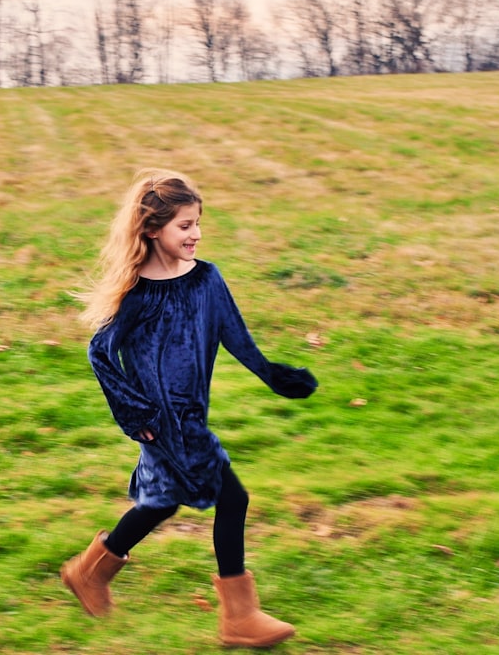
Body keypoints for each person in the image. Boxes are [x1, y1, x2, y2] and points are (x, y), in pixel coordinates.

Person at [61, 169, 317, 648]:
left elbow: (232, 332)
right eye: (184, 225)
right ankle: (239, 618)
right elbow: (100, 352)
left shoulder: (207, 279)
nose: (195, 233)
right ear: (153, 229)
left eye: (198, 222)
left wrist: (273, 374)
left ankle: (89, 573)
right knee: (233, 498)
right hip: (161, 422)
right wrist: (136, 416)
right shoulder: (138, 296)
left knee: (162, 501)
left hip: (189, 414)